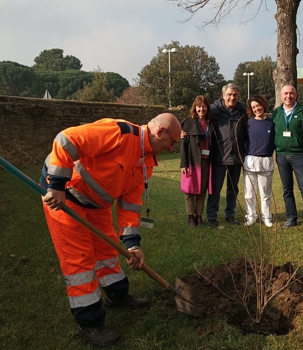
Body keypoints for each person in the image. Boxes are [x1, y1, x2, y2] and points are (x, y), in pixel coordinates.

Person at [40, 113, 181, 346]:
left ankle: (118, 297)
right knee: (80, 262)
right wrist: (55, 185)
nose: (172, 147)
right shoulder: (119, 133)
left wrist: (133, 244)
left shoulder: (147, 162)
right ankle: (90, 324)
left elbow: (129, 205)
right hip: (66, 197)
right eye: (173, 141)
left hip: (97, 204)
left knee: (107, 251)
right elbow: (66, 140)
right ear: (160, 132)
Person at [273, 84, 303, 233]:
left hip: (299, 156)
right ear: (281, 96)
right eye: (285, 93)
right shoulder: (277, 113)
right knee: (287, 190)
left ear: (296, 95)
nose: (288, 96)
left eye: (291, 93)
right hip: (281, 156)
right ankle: (291, 218)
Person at [207, 83, 248, 228]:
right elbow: (197, 119)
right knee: (215, 189)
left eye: (235, 95)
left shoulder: (242, 111)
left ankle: (230, 214)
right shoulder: (213, 110)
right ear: (223, 95)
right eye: (229, 95)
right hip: (219, 157)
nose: (232, 97)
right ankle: (212, 216)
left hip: (236, 157)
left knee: (233, 188)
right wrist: (183, 131)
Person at [244, 94, 276, 227]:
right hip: (250, 161)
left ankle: (266, 216)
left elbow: (275, 141)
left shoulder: (271, 123)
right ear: (251, 109)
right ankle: (251, 216)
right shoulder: (248, 123)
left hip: (266, 161)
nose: (257, 109)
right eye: (254, 107)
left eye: (258, 105)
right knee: (249, 194)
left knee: (265, 193)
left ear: (263, 104)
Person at [180, 95, 212, 227]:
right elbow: (183, 145)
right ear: (195, 107)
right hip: (192, 162)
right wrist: (184, 164)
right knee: (189, 191)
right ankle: (190, 217)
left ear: (207, 108)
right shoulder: (188, 123)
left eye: (204, 106)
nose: (201, 109)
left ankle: (199, 216)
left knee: (201, 191)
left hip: (206, 162)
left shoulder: (211, 123)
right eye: (199, 106)